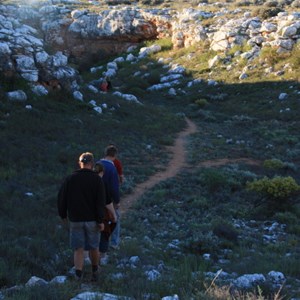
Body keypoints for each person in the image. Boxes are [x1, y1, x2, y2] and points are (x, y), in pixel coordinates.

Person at [57, 152, 106, 281]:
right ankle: (95, 270)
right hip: (92, 220)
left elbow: (62, 198)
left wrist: (63, 214)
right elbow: (100, 202)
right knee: (94, 247)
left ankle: (78, 275)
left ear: (80, 163)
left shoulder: (70, 178)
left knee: (78, 248)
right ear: (92, 164)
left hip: (75, 219)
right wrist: (101, 220)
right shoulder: (97, 180)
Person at [97, 145, 121, 251]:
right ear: (114, 155)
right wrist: (117, 201)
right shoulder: (112, 168)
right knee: (115, 219)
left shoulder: (97, 164)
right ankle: (114, 243)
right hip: (108, 200)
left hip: (95, 198)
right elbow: (114, 187)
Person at [94, 162, 117, 264]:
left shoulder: (88, 182)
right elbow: (107, 201)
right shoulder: (102, 183)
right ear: (102, 172)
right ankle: (102, 256)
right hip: (102, 213)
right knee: (105, 232)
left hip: (88, 213)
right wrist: (113, 213)